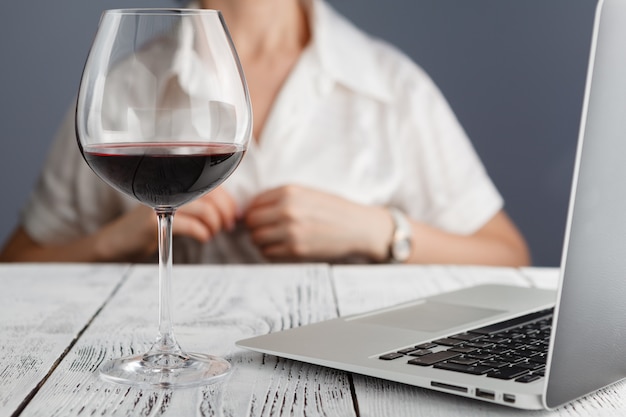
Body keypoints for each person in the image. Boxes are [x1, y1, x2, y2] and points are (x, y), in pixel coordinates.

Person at [0, 0, 530, 266]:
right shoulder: (123, 88)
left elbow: (509, 257)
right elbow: (15, 265)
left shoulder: (391, 88)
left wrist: (379, 231)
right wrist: (114, 240)